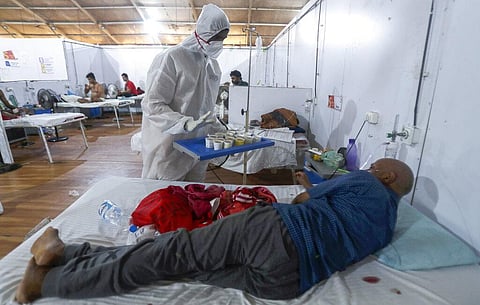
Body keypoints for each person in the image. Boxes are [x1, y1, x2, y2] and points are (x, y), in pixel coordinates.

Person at [15, 158, 414, 303]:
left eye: (376, 166)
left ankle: (41, 284)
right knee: (168, 264)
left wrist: (310, 189)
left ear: (387, 174)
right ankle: (69, 257)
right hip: (287, 282)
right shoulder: (387, 225)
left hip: (276, 235)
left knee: (167, 252)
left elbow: (302, 202)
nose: (370, 170)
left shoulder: (366, 182)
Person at [141, 4, 230, 181]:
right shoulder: (171, 58)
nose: (219, 44)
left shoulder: (212, 65)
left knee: (193, 196)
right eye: (216, 38)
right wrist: (184, 122)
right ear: (203, 33)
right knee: (164, 198)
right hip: (169, 146)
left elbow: (206, 108)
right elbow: (152, 104)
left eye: (223, 39)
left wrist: (222, 131)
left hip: (198, 147)